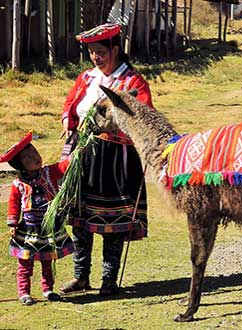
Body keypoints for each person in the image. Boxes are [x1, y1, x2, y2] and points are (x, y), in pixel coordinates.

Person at [59, 23, 153, 296]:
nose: (96, 58)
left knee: (111, 220)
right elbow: (70, 105)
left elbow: (142, 115)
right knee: (80, 218)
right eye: (91, 53)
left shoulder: (132, 82)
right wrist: (68, 119)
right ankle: (81, 277)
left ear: (115, 49)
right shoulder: (86, 78)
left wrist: (110, 128)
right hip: (82, 154)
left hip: (115, 159)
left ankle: (109, 280)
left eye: (100, 52)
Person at [1, 132, 74, 305]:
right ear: (21, 166)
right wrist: (12, 223)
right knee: (25, 262)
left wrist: (76, 154)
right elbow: (14, 204)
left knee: (47, 260)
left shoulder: (50, 172)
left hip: (48, 228)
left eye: (35, 152)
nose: (35, 157)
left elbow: (65, 166)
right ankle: (23, 292)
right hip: (28, 228)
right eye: (28, 157)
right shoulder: (18, 184)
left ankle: (48, 289)